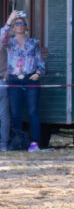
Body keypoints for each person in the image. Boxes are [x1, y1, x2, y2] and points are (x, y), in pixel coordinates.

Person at [1, 10, 45, 151]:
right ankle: (18, 142)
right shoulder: (10, 43)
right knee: (16, 113)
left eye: (22, 24)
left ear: (26, 27)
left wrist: (38, 73)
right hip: (14, 80)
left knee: (33, 112)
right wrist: (9, 20)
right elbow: (2, 39)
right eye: (17, 24)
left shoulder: (34, 43)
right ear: (14, 28)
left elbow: (41, 62)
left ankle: (35, 143)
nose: (20, 26)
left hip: (31, 79)